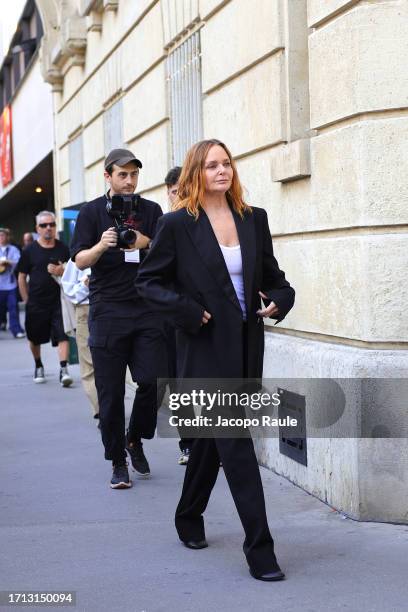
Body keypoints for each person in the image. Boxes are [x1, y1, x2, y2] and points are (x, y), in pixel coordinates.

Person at [136, 139, 295, 581]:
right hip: (204, 349)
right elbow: (149, 283)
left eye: (227, 163)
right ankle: (261, 551)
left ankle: (188, 515)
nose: (222, 170)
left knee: (211, 442)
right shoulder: (176, 225)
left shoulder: (253, 219)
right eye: (212, 165)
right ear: (196, 173)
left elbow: (278, 281)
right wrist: (186, 310)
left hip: (245, 348)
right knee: (238, 448)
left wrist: (278, 301)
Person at [70, 148, 166, 489]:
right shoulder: (91, 213)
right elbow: (80, 260)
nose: (129, 181)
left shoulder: (152, 211)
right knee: (109, 394)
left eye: (134, 175)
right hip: (108, 311)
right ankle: (117, 461)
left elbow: (169, 254)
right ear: (107, 176)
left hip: (147, 309)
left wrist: (145, 242)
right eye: (122, 175)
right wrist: (101, 246)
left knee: (154, 380)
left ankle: (135, 436)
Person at [18, 212, 73, 386]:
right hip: (36, 302)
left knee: (63, 335)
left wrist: (61, 271)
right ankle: (38, 365)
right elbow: (21, 277)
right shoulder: (29, 251)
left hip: (59, 300)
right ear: (37, 229)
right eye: (44, 225)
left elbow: (72, 271)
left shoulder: (63, 248)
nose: (48, 228)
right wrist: (27, 300)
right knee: (34, 337)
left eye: (51, 224)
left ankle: (64, 369)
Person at [163, 166, 194, 465]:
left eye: (182, 190)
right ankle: (188, 443)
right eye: (174, 191)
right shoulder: (164, 225)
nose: (178, 196)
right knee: (178, 384)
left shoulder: (198, 223)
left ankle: (212, 443)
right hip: (169, 321)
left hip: (199, 317)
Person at [61, 258, 100, 423]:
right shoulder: (78, 256)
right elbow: (70, 290)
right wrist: (86, 285)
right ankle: (101, 411)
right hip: (86, 308)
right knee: (89, 364)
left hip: (119, 305)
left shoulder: (123, 246)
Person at [0, 227, 25, 338]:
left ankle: (16, 329)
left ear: (7, 237)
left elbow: (19, 262)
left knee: (13, 308)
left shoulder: (13, 249)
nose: (1, 238)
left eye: (3, 235)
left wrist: (8, 262)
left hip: (10, 284)